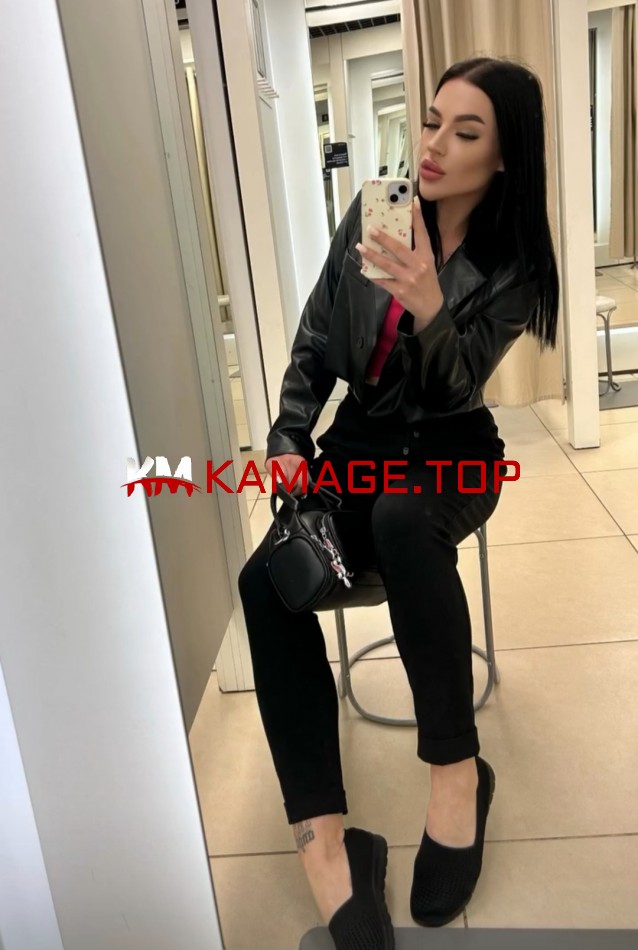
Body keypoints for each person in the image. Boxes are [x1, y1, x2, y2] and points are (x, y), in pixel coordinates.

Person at [238, 55, 559, 949]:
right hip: (360, 444)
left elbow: (455, 394)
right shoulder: (378, 208)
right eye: (430, 122)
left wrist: (429, 306)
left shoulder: (514, 264)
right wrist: (289, 439)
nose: (435, 145)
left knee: (402, 518)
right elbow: (315, 338)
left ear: (504, 156)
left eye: (466, 132)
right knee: (262, 584)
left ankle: (456, 773)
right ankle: (328, 845)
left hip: (452, 454)